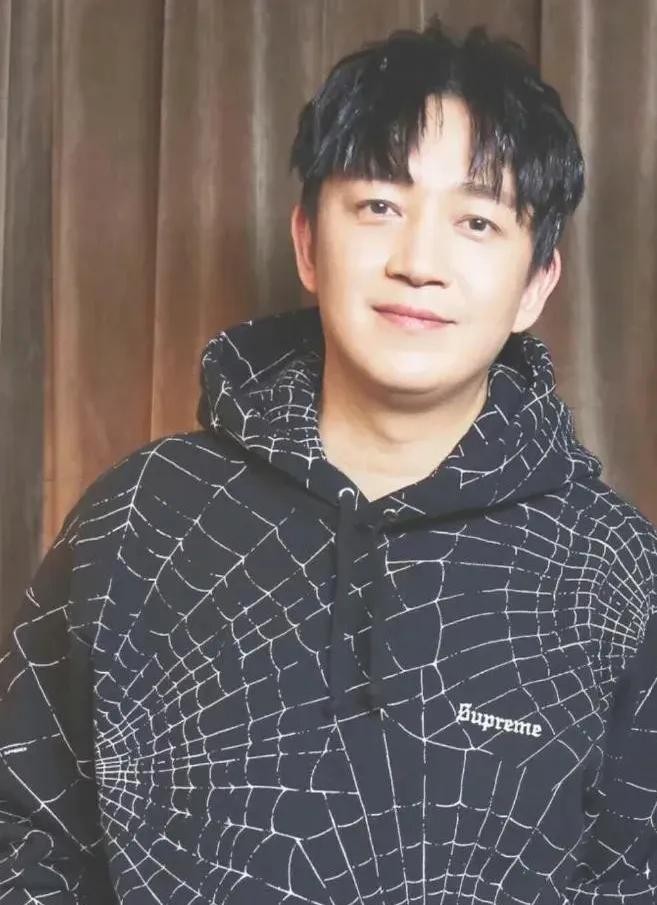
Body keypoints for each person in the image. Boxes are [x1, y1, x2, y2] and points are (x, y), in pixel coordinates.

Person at [1, 15, 655, 905]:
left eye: (475, 220)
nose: (418, 262)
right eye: (379, 205)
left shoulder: (614, 571)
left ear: (537, 283)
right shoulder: (140, 513)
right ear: (307, 241)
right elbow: (24, 829)